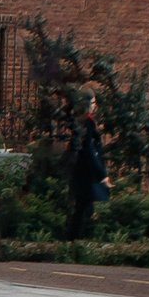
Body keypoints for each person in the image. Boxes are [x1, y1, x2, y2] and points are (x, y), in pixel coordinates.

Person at [65, 93, 108, 241]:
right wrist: (102, 174)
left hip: (83, 169)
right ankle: (74, 240)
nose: (95, 106)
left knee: (84, 207)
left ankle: (76, 239)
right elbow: (89, 150)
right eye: (93, 103)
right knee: (83, 208)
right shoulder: (87, 121)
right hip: (86, 171)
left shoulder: (82, 120)